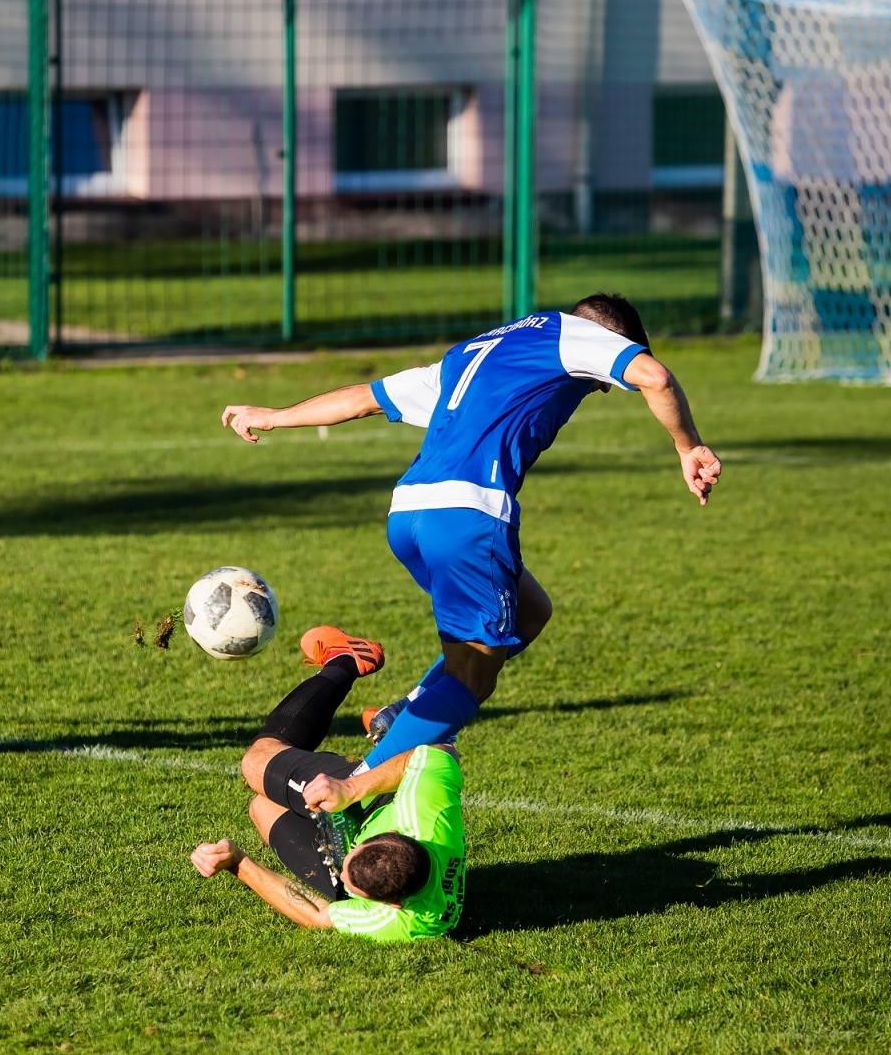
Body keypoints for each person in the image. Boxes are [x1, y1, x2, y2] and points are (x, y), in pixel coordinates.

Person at [220, 293, 721, 768]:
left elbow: (364, 398)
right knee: (475, 676)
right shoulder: (575, 335)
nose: (598, 387)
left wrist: (275, 415)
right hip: (468, 515)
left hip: (410, 514)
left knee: (530, 612)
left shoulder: (477, 351)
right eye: (601, 383)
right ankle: (350, 792)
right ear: (609, 338)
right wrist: (688, 446)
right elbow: (655, 377)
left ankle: (407, 709)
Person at [190, 626, 466, 941]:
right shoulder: (426, 814)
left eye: (347, 881)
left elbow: (317, 915)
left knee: (263, 807)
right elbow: (441, 752)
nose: (339, 869)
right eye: (345, 862)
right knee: (257, 765)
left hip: (369, 836)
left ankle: (382, 708)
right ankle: (346, 661)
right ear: (394, 834)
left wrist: (237, 862)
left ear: (390, 905)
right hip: (372, 801)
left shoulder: (390, 923)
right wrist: (350, 789)